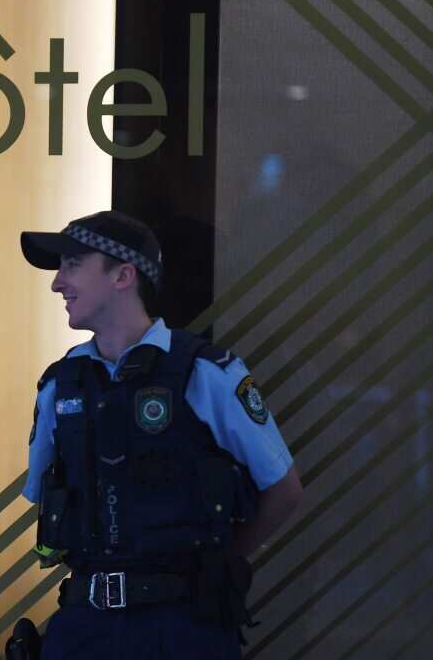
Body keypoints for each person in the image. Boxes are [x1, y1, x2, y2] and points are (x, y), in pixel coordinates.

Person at [18, 211, 302, 660]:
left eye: (72, 264)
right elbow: (42, 493)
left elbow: (283, 491)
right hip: (85, 627)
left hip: (183, 627)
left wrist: (214, 566)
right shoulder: (62, 383)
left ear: (123, 275)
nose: (57, 283)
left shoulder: (206, 373)